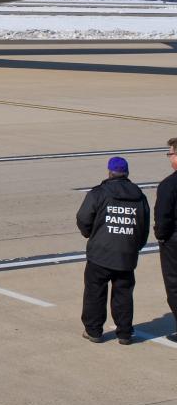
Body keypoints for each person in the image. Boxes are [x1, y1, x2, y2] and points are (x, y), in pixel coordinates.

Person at [76, 156, 150, 344]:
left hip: (100, 252)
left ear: (109, 172)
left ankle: (94, 331)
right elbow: (143, 227)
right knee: (123, 293)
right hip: (126, 255)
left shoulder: (99, 193)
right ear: (127, 173)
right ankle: (124, 333)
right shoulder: (139, 196)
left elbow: (84, 218)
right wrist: (134, 247)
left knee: (95, 291)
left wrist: (90, 235)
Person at [154, 138, 177, 341]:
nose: (169, 157)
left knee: (174, 285)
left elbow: (163, 217)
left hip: (174, 242)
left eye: (171, 153)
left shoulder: (169, 185)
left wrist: (161, 236)